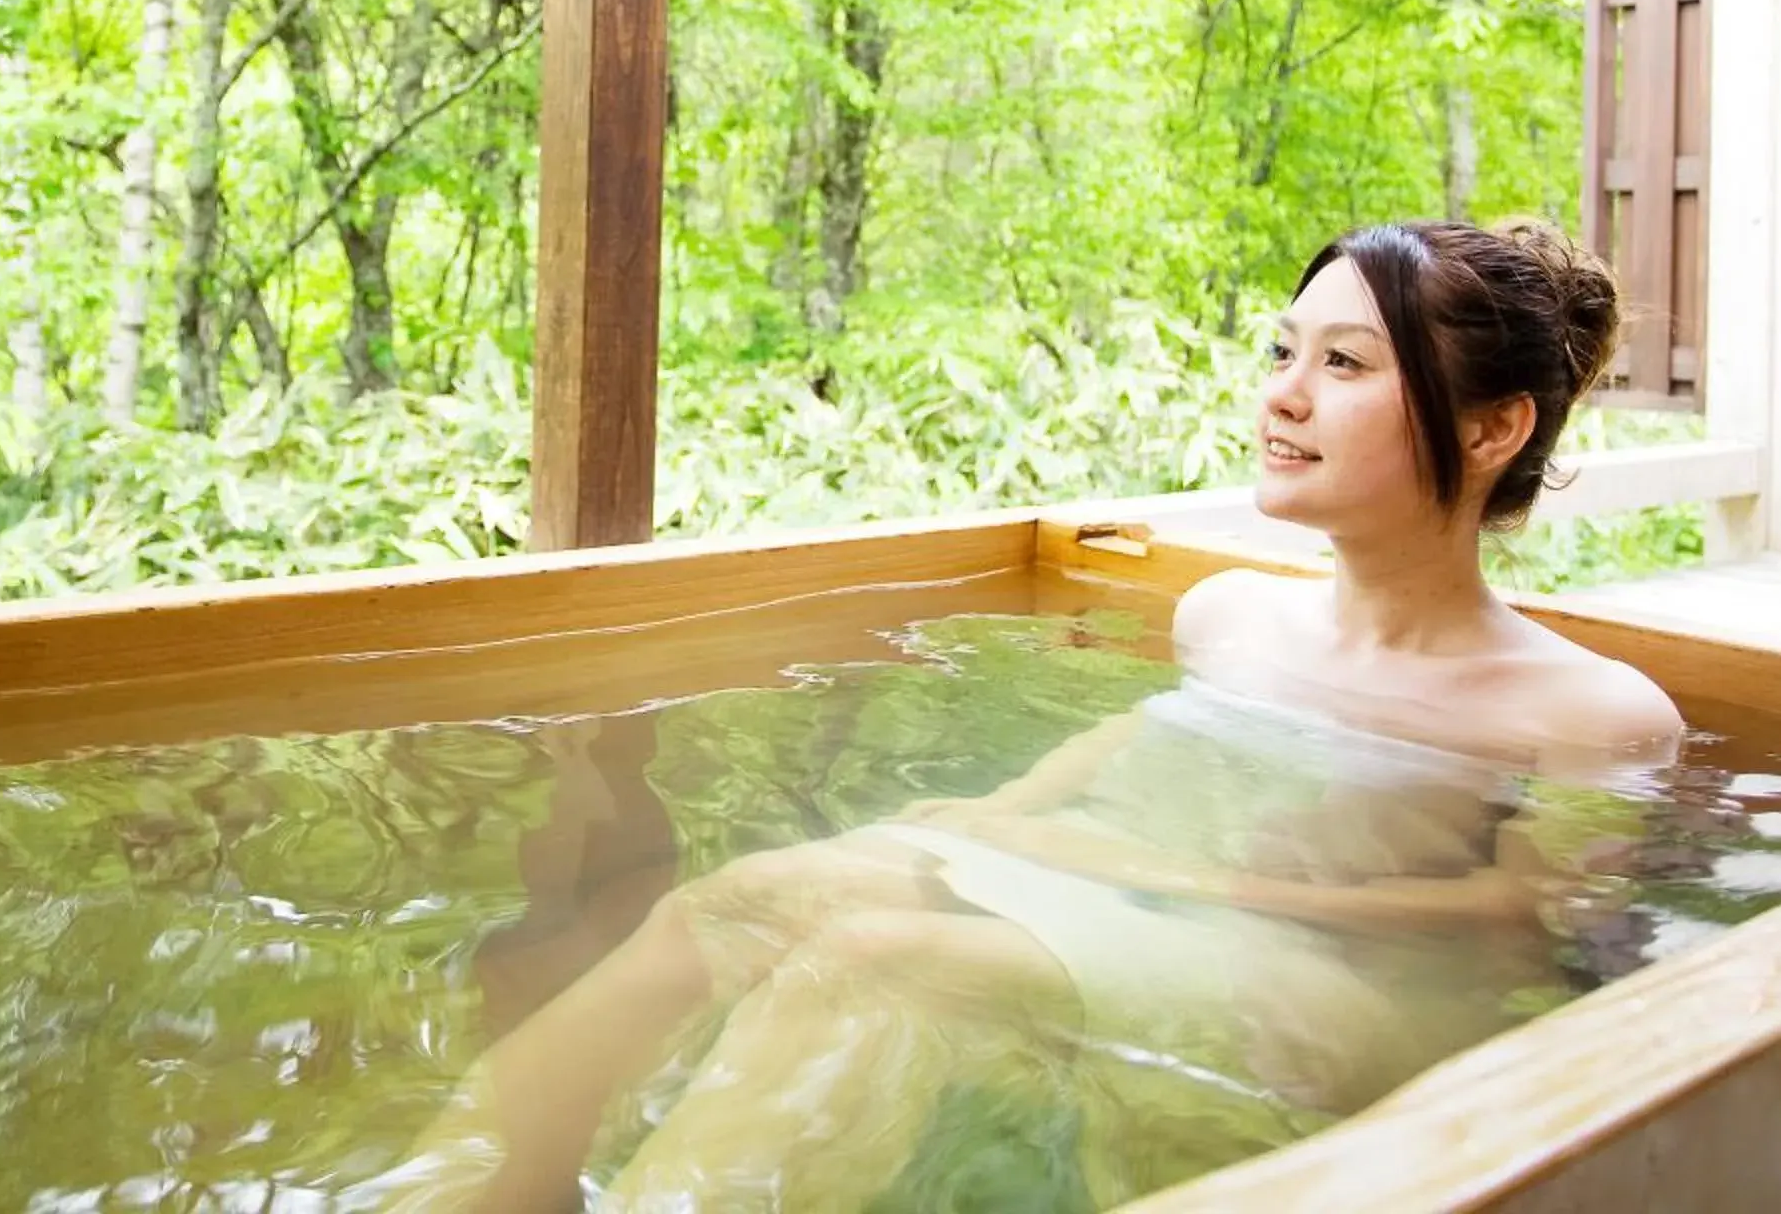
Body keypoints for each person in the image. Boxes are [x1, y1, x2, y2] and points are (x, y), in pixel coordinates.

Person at [361, 219, 1686, 1212]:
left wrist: (1174, 874)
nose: (1282, 393)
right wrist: (1003, 817)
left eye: (1343, 363)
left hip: (1364, 992)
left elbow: (1525, 922)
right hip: (1159, 899)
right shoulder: (1228, 618)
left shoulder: (1587, 709)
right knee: (748, 897)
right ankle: (464, 1195)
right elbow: (1153, 738)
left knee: (892, 958)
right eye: (1284, 352)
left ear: (1497, 424)